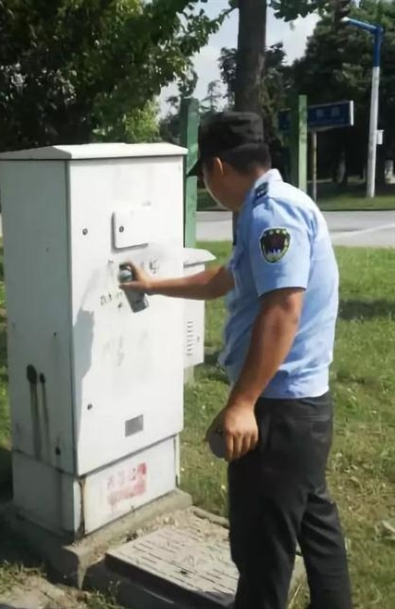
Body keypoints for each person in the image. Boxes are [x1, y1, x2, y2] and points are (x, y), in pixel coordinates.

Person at [120, 112, 352, 609]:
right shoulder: (273, 206)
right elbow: (223, 279)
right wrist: (153, 285)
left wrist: (242, 403)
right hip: (302, 409)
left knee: (260, 548)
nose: (207, 186)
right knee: (315, 526)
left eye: (204, 175)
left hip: (278, 408)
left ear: (218, 166)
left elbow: (283, 309)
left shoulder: (271, 213)